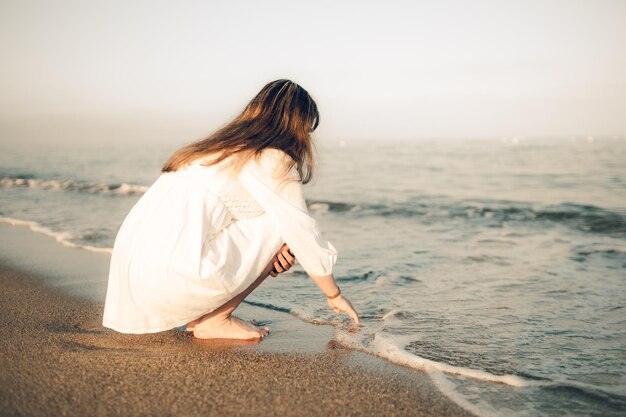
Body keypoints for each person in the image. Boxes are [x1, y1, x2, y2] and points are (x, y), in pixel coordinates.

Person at [102, 79, 360, 341]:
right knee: (284, 227)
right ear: (296, 125)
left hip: (133, 277)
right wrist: (334, 295)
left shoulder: (214, 150)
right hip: (169, 278)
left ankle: (205, 314)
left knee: (279, 225)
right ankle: (215, 320)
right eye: (306, 128)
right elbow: (302, 234)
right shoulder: (273, 158)